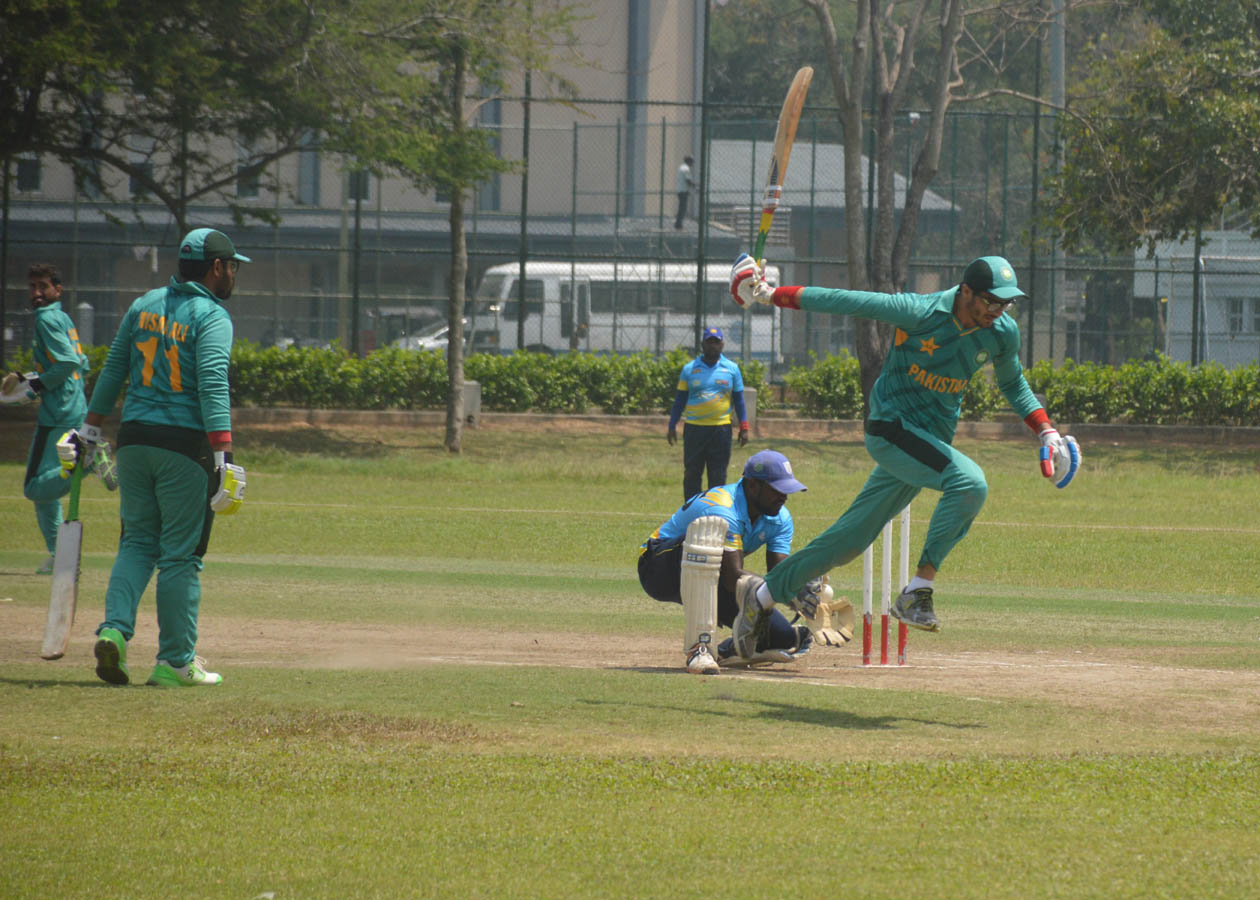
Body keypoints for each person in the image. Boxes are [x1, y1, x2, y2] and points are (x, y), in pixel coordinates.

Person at [727, 253, 1080, 649]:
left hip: (926, 444)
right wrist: (771, 294)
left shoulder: (1001, 331)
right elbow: (846, 300)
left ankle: (757, 600)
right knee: (970, 483)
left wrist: (1045, 431)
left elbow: (1013, 383)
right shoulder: (919, 312)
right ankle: (918, 591)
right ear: (966, 292)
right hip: (890, 428)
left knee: (848, 542)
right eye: (990, 302)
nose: (998, 311)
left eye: (1006, 303)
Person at [57, 228, 250, 688]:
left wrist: (89, 427)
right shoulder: (212, 315)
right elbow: (211, 384)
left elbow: (114, 369)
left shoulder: (144, 304)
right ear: (217, 267)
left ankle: (113, 632)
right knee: (181, 557)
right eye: (232, 266)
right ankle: (175, 662)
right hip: (185, 447)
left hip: (136, 441)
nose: (234, 275)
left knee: (138, 544)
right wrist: (223, 453)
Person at [638, 449, 817, 673]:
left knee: (782, 636)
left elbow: (777, 571)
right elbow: (734, 578)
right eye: (777, 490)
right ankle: (699, 647)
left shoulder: (780, 517)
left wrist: (799, 587)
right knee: (708, 533)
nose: (784, 497)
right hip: (659, 567)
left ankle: (729, 650)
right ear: (753, 486)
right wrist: (785, 586)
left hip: (715, 573)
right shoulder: (723, 508)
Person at [0, 264, 115, 574]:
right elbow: (82, 362)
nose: (37, 293)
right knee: (45, 496)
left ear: (57, 289)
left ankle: (88, 461)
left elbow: (67, 361)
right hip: (72, 406)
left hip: (58, 415)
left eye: (43, 287)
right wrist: (28, 379)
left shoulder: (47, 319)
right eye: (33, 286)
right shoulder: (62, 317)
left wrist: (36, 385)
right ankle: (58, 555)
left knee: (34, 488)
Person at [667, 326, 749, 502]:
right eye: (709, 342)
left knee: (718, 475)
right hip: (695, 429)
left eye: (716, 342)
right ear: (702, 344)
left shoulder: (732, 369)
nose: (713, 346)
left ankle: (715, 512)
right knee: (692, 473)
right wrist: (672, 424)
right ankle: (691, 512)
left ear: (722, 344)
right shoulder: (689, 369)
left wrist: (744, 427)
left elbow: (739, 401)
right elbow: (680, 400)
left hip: (720, 430)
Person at [673, 155, 696, 229]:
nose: (692, 164)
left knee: (681, 207)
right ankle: (678, 224)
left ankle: (678, 223)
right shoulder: (686, 169)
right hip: (683, 191)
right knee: (683, 208)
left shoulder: (681, 167)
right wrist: (696, 185)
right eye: (692, 162)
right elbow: (688, 181)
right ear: (689, 162)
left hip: (680, 190)